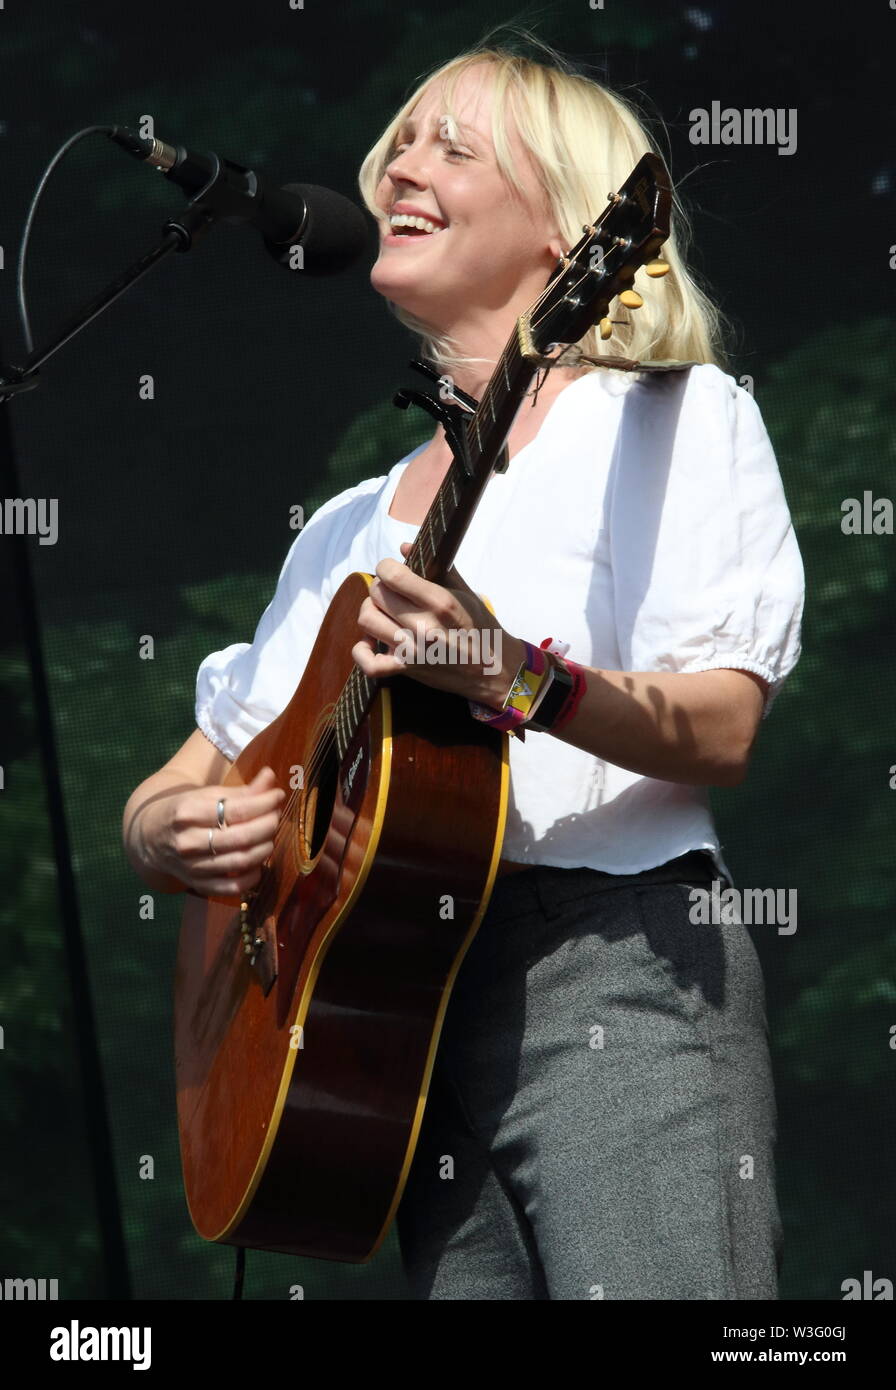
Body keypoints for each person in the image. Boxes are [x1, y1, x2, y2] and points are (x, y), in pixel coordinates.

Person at [122, 38, 804, 1300]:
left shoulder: (665, 419)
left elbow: (720, 728)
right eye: (398, 145)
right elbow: (179, 784)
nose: (399, 171)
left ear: (571, 234)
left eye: (453, 146)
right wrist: (166, 832)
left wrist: (512, 675)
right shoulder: (346, 525)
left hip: (618, 964)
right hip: (391, 1010)